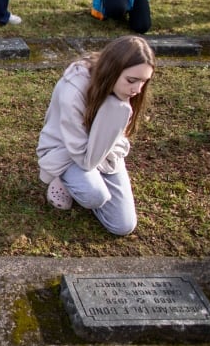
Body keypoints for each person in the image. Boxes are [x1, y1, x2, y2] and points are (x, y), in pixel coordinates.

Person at [37, 35, 155, 236]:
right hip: (67, 152)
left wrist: (116, 113)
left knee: (123, 225)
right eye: (132, 81)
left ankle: (85, 182)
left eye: (144, 82)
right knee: (95, 195)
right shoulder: (73, 91)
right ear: (112, 71)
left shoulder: (124, 94)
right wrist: (115, 111)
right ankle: (63, 179)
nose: (137, 90)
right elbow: (85, 159)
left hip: (104, 150)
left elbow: (119, 140)